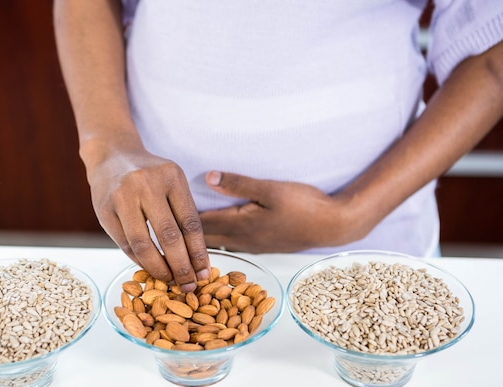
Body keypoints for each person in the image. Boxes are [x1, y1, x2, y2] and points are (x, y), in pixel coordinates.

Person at [53, 0, 503, 292]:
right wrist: (108, 145)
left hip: (372, 242)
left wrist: (353, 212)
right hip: (164, 240)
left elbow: (493, 52)